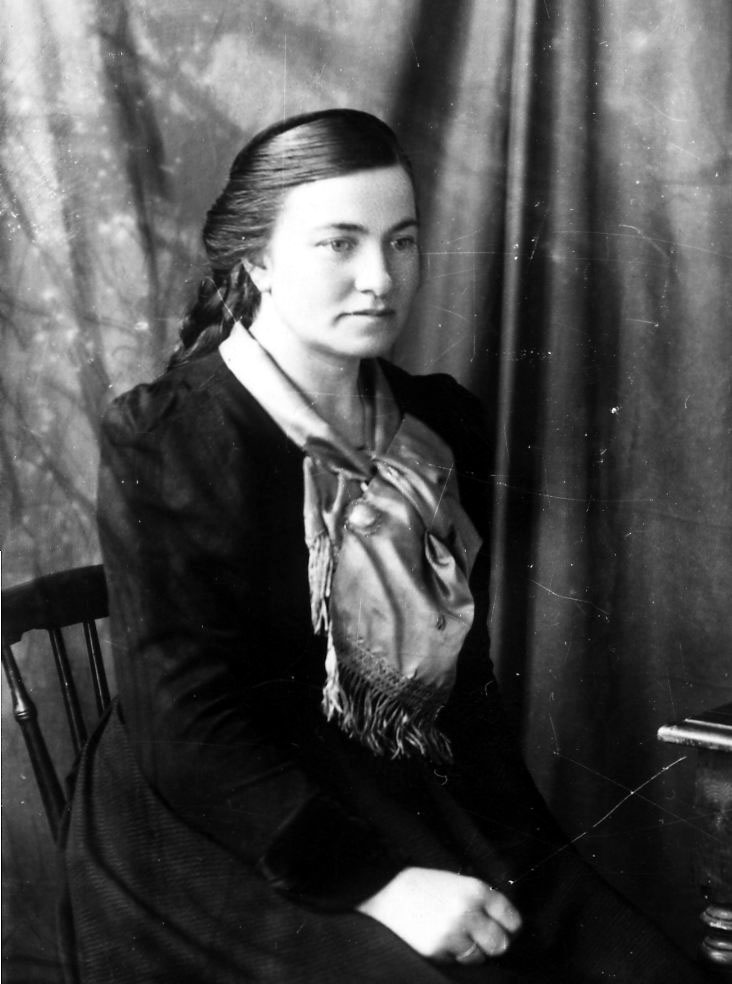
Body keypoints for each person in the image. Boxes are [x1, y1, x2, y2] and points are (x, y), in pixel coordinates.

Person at [58, 109, 709, 983]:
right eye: (340, 243)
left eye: (401, 242)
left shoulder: (437, 424)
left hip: (395, 789)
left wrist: (538, 869)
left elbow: (464, 698)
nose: (380, 278)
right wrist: (385, 888)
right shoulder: (172, 438)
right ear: (258, 262)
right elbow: (187, 731)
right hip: (219, 834)